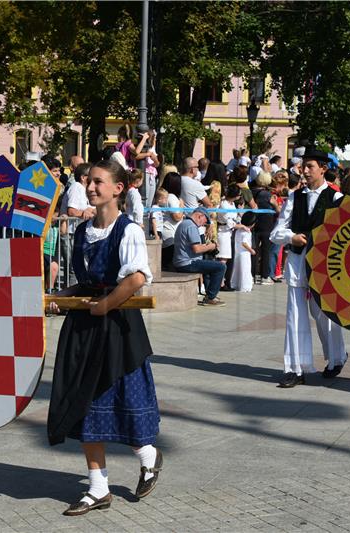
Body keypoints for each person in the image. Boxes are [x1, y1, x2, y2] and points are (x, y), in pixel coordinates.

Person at [46, 159, 161, 516]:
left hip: (118, 328)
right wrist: (63, 299)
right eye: (89, 182)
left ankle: (148, 455)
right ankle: (98, 488)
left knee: (123, 401)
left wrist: (105, 305)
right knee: (84, 404)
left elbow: (137, 277)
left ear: (118, 188)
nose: (91, 187)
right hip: (85, 327)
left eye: (98, 182)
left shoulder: (128, 230)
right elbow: (86, 281)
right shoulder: (83, 231)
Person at [269, 150, 348, 387]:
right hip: (297, 264)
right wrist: (291, 237)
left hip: (325, 267)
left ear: (323, 169)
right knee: (295, 317)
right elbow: (276, 232)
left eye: (310, 166)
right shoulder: (295, 198)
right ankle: (295, 368)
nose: (304, 170)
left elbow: (345, 233)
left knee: (325, 315)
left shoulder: (336, 198)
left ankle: (336, 357)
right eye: (303, 166)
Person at [172, 207, 226, 306]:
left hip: (182, 262)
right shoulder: (191, 226)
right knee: (221, 267)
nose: (203, 225)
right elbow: (197, 249)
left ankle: (210, 294)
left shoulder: (184, 223)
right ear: (199, 216)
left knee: (210, 266)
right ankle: (210, 298)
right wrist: (212, 246)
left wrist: (206, 247)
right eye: (204, 222)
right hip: (187, 263)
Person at [250, 171, 278, 285]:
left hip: (254, 223)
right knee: (266, 250)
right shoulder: (267, 194)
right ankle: (264, 276)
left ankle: (251, 275)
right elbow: (277, 209)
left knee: (254, 250)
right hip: (266, 224)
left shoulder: (251, 192)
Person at [159, 172, 185, 271]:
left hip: (166, 233)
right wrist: (182, 207)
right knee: (169, 265)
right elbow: (177, 217)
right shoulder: (172, 198)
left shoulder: (163, 196)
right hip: (171, 235)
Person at [217, 184, 241, 289]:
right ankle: (220, 282)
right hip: (222, 232)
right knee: (223, 258)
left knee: (225, 258)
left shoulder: (232, 204)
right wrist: (242, 226)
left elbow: (236, 218)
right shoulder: (224, 205)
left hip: (229, 233)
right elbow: (229, 222)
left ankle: (222, 281)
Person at [231, 211, 256, 292]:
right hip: (245, 253)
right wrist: (251, 250)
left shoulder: (238, 230)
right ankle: (245, 287)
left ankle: (236, 284)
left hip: (238, 252)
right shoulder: (247, 232)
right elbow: (244, 243)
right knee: (245, 270)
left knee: (237, 269)